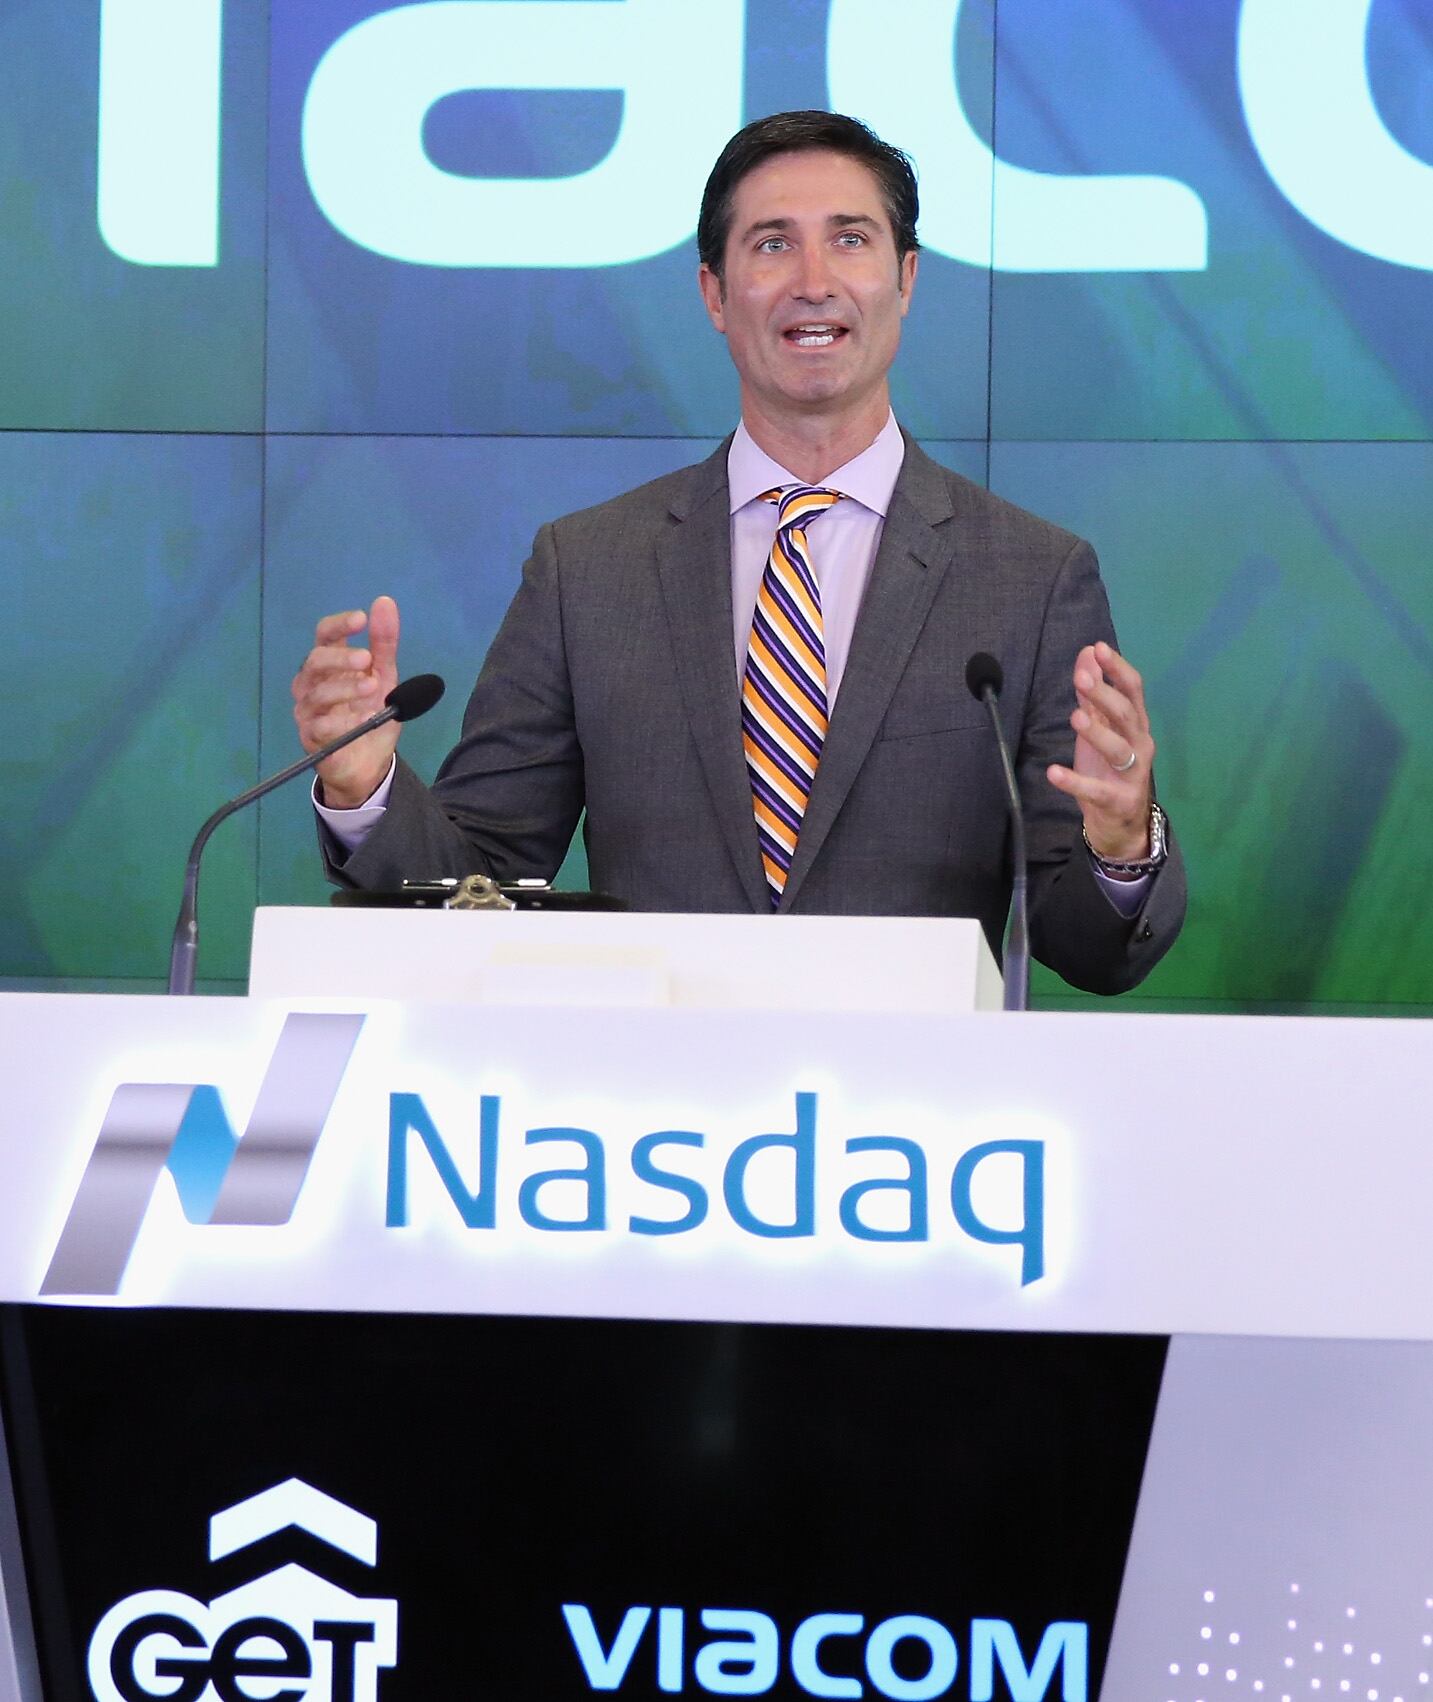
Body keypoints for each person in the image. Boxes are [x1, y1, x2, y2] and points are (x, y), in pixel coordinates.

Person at [292, 111, 1184, 994]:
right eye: (770, 245)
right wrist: (367, 786)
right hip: (647, 1124)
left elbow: (1089, 951)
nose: (813, 280)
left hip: (921, 1122)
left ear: (905, 279)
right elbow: (478, 886)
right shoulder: (588, 570)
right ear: (714, 294)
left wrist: (1118, 845)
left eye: (849, 239)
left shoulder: (1029, 578)